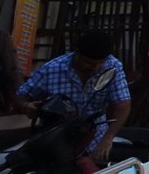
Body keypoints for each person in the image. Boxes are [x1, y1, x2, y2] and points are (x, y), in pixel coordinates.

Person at [15, 29, 131, 171]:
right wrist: (26, 105)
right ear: (76, 53)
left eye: (99, 63)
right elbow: (21, 94)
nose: (95, 68)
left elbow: (122, 105)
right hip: (58, 139)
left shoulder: (113, 66)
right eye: (89, 63)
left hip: (96, 136)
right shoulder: (52, 69)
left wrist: (108, 138)